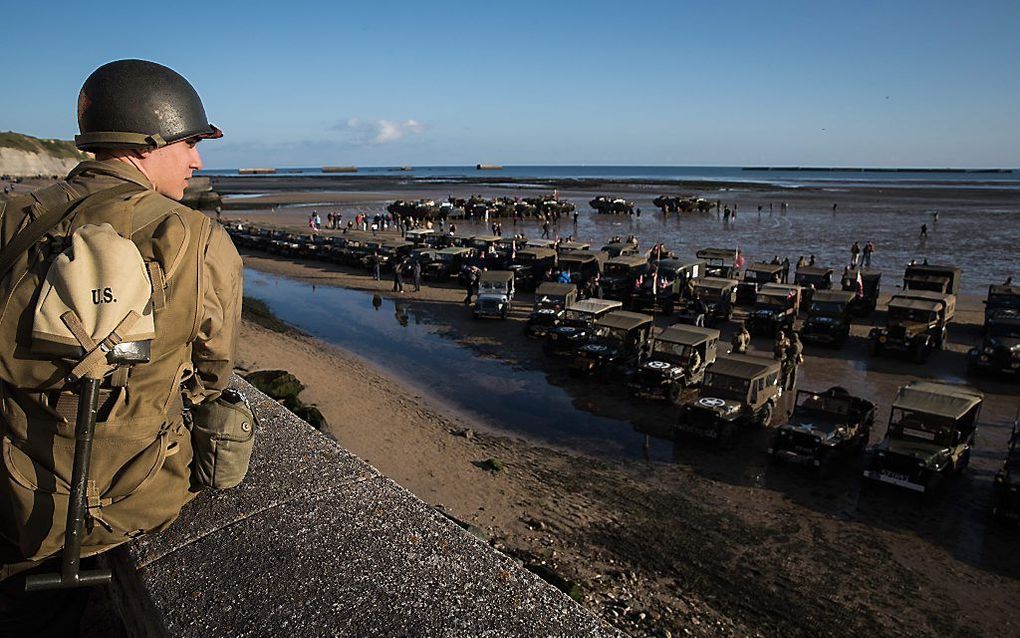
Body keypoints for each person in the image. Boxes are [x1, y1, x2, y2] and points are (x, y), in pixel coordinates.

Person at [0, 59, 241, 632]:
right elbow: (213, 372)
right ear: (147, 142)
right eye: (187, 143)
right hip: (128, 498)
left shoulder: (14, 215)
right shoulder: (194, 235)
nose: (196, 160)